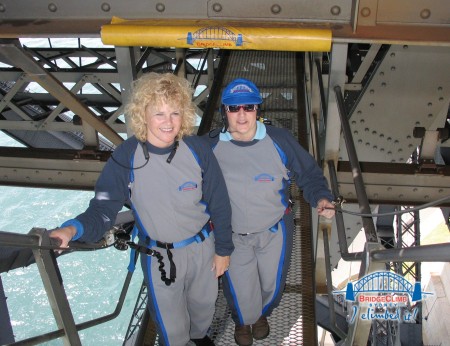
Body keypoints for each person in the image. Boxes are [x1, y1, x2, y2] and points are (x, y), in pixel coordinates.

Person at [50, 72, 234, 346]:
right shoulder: (127, 156)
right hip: (160, 257)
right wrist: (71, 229)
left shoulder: (198, 150)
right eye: (159, 113)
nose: (168, 122)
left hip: (203, 249)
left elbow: (220, 203)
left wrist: (223, 250)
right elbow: (103, 209)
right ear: (142, 115)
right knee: (172, 331)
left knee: (203, 311)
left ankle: (199, 338)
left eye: (174, 113)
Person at [205, 78, 335, 346]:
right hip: (232, 236)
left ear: (257, 110)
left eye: (249, 107)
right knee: (241, 288)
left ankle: (262, 314)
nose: (242, 115)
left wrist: (320, 198)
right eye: (234, 108)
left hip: (275, 229)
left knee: (272, 286)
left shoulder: (280, 140)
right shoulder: (208, 147)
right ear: (224, 113)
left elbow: (308, 174)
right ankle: (243, 320)